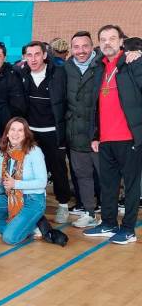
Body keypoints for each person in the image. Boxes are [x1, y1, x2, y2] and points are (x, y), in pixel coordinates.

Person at [84, 27, 142, 244]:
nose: (107, 43)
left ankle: (128, 230)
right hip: (106, 140)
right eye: (103, 39)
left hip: (129, 138)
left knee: (131, 186)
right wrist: (95, 135)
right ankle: (108, 223)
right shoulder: (100, 67)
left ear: (121, 41)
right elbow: (95, 107)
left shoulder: (133, 62)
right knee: (108, 185)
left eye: (112, 38)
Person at [17, 41, 70, 224]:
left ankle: (63, 204)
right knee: (31, 171)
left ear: (45, 55)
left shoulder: (58, 73)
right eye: (29, 55)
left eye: (37, 54)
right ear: (24, 57)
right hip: (31, 133)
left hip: (53, 132)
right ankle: (35, 205)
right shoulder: (20, 74)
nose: (33, 59)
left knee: (58, 169)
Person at [0, 117, 47, 245]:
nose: (15, 133)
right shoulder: (5, 151)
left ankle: (31, 224)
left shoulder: (34, 151)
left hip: (33, 200)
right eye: (12, 129)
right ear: (7, 133)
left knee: (9, 239)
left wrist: (16, 184)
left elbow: (42, 182)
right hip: (11, 197)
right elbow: (3, 178)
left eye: (20, 130)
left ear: (26, 134)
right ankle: (24, 225)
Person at [64, 31, 102, 228]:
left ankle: (109, 216)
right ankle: (89, 212)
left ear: (92, 46)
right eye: (76, 47)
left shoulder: (103, 65)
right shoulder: (65, 68)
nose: (81, 51)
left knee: (107, 177)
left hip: (100, 134)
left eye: (85, 46)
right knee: (83, 176)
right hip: (75, 134)